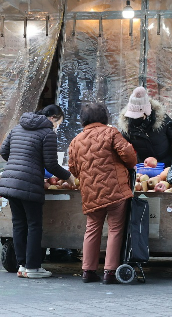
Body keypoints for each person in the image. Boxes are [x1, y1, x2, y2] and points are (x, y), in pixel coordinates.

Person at [0, 104, 75, 279]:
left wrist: (19, 163)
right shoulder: (47, 133)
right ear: (53, 118)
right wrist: (68, 177)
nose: (57, 127)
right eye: (58, 123)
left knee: (18, 224)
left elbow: (3, 151)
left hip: (10, 182)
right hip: (29, 184)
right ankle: (33, 267)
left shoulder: (17, 128)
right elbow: (51, 164)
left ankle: (22, 265)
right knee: (34, 225)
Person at [68, 103, 137, 284]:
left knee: (92, 228)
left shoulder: (76, 141)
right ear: (104, 117)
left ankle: (88, 271)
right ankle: (110, 272)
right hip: (116, 191)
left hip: (91, 193)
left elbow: (73, 169)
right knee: (115, 229)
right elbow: (129, 156)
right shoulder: (111, 133)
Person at [118, 86, 172, 168]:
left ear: (147, 112)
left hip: (166, 167)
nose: (135, 118)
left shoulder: (162, 120)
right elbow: (122, 148)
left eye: (138, 115)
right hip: (143, 169)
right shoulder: (128, 125)